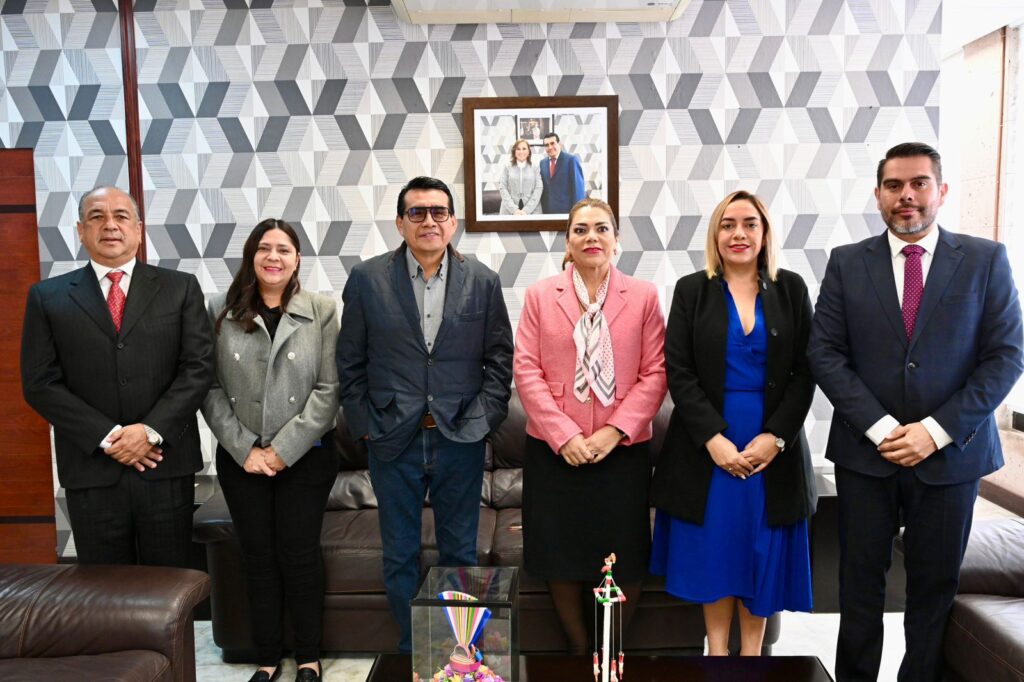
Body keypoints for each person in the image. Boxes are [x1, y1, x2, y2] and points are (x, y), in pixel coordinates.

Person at [808, 142, 1023, 682]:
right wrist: (881, 428)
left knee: (934, 589)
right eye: (894, 185)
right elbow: (824, 353)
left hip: (952, 456)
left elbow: (1006, 356)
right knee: (858, 587)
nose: (906, 195)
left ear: (941, 191)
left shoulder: (985, 259)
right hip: (866, 455)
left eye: (919, 183)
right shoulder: (846, 262)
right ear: (878, 195)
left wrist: (935, 431)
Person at [336, 176, 514, 653]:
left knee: (459, 554)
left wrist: (482, 421)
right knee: (400, 554)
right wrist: (366, 427)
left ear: (453, 222)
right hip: (393, 438)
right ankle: (417, 652)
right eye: (417, 212)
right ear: (400, 223)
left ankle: (460, 654)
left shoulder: (482, 280)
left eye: (439, 212)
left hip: (460, 437)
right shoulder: (367, 279)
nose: (429, 221)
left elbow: (500, 360)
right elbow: (349, 362)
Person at [649, 190, 816, 656]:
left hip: (772, 448)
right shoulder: (691, 290)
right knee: (717, 552)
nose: (738, 234)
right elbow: (678, 371)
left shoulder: (792, 289)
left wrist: (776, 438)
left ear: (765, 234)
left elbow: (807, 371)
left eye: (749, 224)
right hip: (707, 448)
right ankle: (718, 655)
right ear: (715, 235)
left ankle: (751, 658)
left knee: (758, 549)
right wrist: (712, 440)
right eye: (727, 225)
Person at [20, 185, 213, 566]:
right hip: (91, 469)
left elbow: (199, 367)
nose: (110, 225)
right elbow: (40, 383)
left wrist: (150, 431)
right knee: (104, 588)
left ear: (139, 230)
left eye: (121, 216)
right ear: (81, 231)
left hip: (164, 464)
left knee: (169, 585)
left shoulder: (180, 288)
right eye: (97, 217)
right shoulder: (47, 296)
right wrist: (108, 437)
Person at [514, 198, 667, 654]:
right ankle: (580, 653)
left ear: (617, 241)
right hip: (555, 451)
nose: (591, 237)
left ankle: (609, 652)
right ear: (567, 243)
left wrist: (613, 431)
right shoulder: (541, 295)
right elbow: (526, 370)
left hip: (622, 451)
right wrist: (565, 436)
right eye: (580, 230)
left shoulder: (643, 296)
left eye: (602, 228)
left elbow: (656, 372)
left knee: (626, 558)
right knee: (560, 556)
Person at [202, 219, 339, 682]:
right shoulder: (219, 309)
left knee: (299, 554)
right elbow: (209, 388)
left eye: (284, 249)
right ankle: (266, 657)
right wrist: (246, 449)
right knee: (256, 556)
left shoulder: (321, 310)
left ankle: (308, 657)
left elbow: (329, 389)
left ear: (297, 259)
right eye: (264, 248)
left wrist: (283, 450)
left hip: (307, 456)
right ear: (251, 256)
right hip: (242, 457)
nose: (273, 257)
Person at [540, 132, 586, 214]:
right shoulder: (542, 163)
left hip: (567, 213)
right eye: (546, 145)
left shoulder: (571, 160)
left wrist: (577, 212)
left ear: (559, 144)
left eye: (552, 143)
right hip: (547, 213)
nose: (550, 147)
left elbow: (578, 190)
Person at [498, 139, 543, 215]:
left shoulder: (535, 167)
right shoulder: (507, 167)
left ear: (528, 152)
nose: (521, 152)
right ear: (514, 152)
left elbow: (539, 188)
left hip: (533, 210)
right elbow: (502, 187)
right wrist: (514, 210)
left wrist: (527, 210)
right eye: (518, 149)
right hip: (509, 210)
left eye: (524, 149)